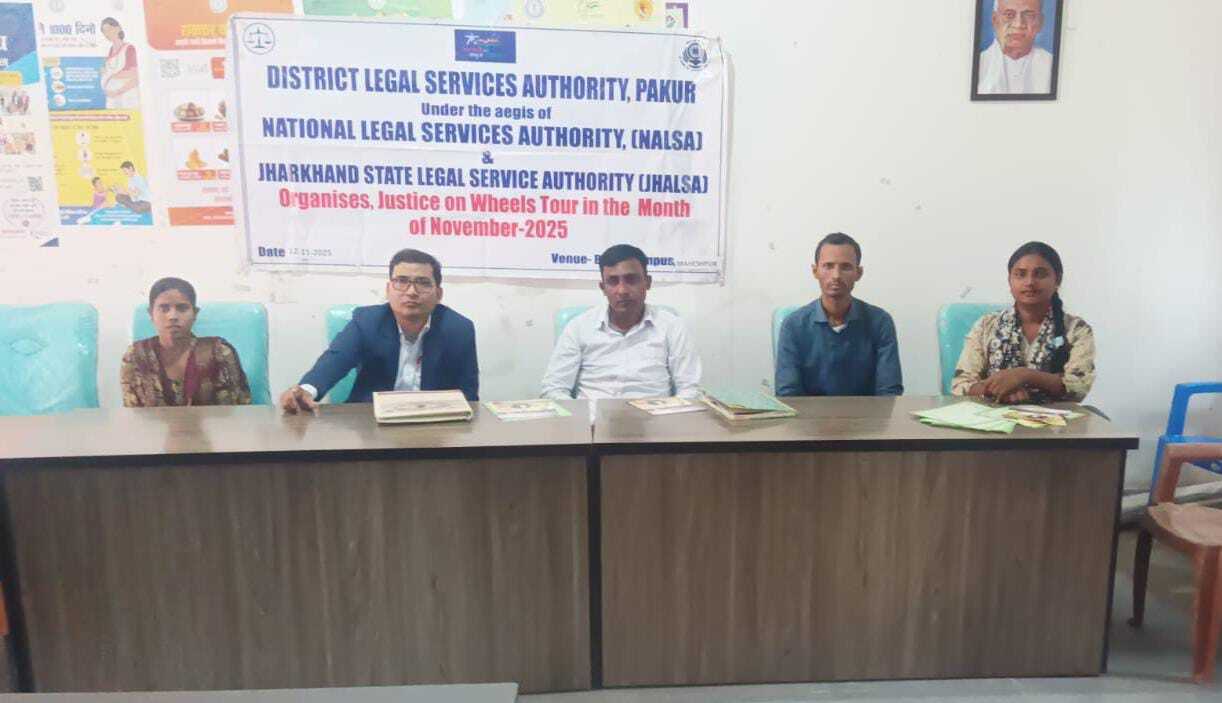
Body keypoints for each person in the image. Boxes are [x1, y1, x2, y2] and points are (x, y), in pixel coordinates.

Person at [280, 248, 478, 413]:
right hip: (371, 422)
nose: (411, 292)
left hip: (434, 425)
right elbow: (336, 359)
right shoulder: (367, 322)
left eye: (423, 283)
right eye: (401, 281)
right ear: (388, 289)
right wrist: (307, 390)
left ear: (439, 293)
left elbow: (468, 395)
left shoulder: (459, 329)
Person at [541, 244, 702, 399]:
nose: (622, 290)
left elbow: (689, 389)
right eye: (613, 281)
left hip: (654, 415)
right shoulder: (579, 327)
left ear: (647, 282)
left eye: (631, 280)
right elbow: (554, 388)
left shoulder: (672, 327)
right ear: (603, 288)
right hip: (592, 416)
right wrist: (579, 415)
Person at [951, 241, 1095, 403]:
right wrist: (998, 391)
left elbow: (1078, 387)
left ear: (1058, 280)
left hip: (1057, 417)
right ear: (1010, 280)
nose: (1030, 282)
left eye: (1040, 274)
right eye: (1020, 274)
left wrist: (1025, 376)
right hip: (993, 414)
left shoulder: (1076, 329)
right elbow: (960, 385)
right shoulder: (986, 325)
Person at [775, 232, 903, 397]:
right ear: (815, 271)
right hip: (809, 415)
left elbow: (889, 393)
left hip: (868, 414)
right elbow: (788, 395)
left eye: (845, 267)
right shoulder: (793, 326)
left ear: (858, 273)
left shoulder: (879, 322)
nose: (836, 275)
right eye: (828, 266)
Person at [121, 278, 251, 407]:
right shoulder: (136, 356)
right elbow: (133, 414)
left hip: (212, 422)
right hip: (152, 422)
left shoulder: (219, 353)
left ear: (195, 313)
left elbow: (241, 410)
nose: (172, 316)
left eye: (182, 308)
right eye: (164, 309)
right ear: (151, 314)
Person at [977, 0, 1053, 95]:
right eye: (1009, 15)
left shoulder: (1051, 65)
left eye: (1029, 16)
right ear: (995, 20)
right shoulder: (979, 64)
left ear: (1040, 23)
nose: (1018, 24)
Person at [100, 17, 139, 109]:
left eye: (109, 29)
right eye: (104, 31)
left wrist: (118, 91)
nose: (107, 34)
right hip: (112, 98)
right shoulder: (110, 50)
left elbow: (136, 76)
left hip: (126, 97)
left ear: (118, 28)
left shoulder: (129, 48)